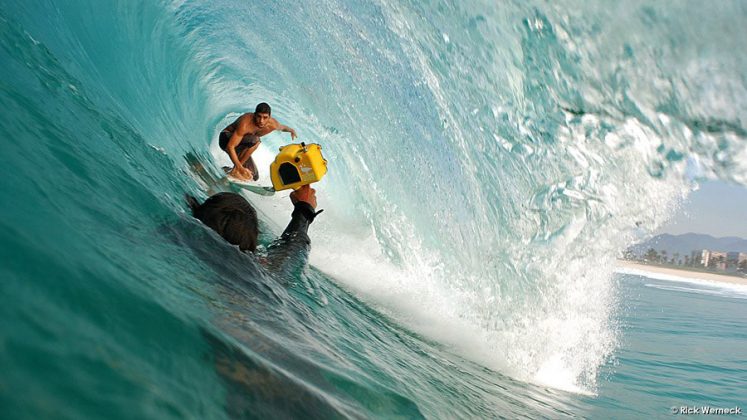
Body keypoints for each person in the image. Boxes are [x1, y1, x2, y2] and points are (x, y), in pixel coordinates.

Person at [186, 185, 321, 272]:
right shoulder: (255, 271)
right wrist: (304, 210)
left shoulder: (181, 234)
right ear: (251, 242)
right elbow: (291, 248)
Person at [219, 102, 297, 181]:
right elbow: (230, 146)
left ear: (269, 117)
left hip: (242, 145)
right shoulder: (245, 123)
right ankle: (235, 171)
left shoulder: (273, 124)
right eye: (259, 116)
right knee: (256, 141)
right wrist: (239, 168)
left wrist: (291, 130)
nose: (261, 121)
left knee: (254, 176)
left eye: (265, 117)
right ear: (254, 115)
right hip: (226, 139)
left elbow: (282, 127)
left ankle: (226, 170)